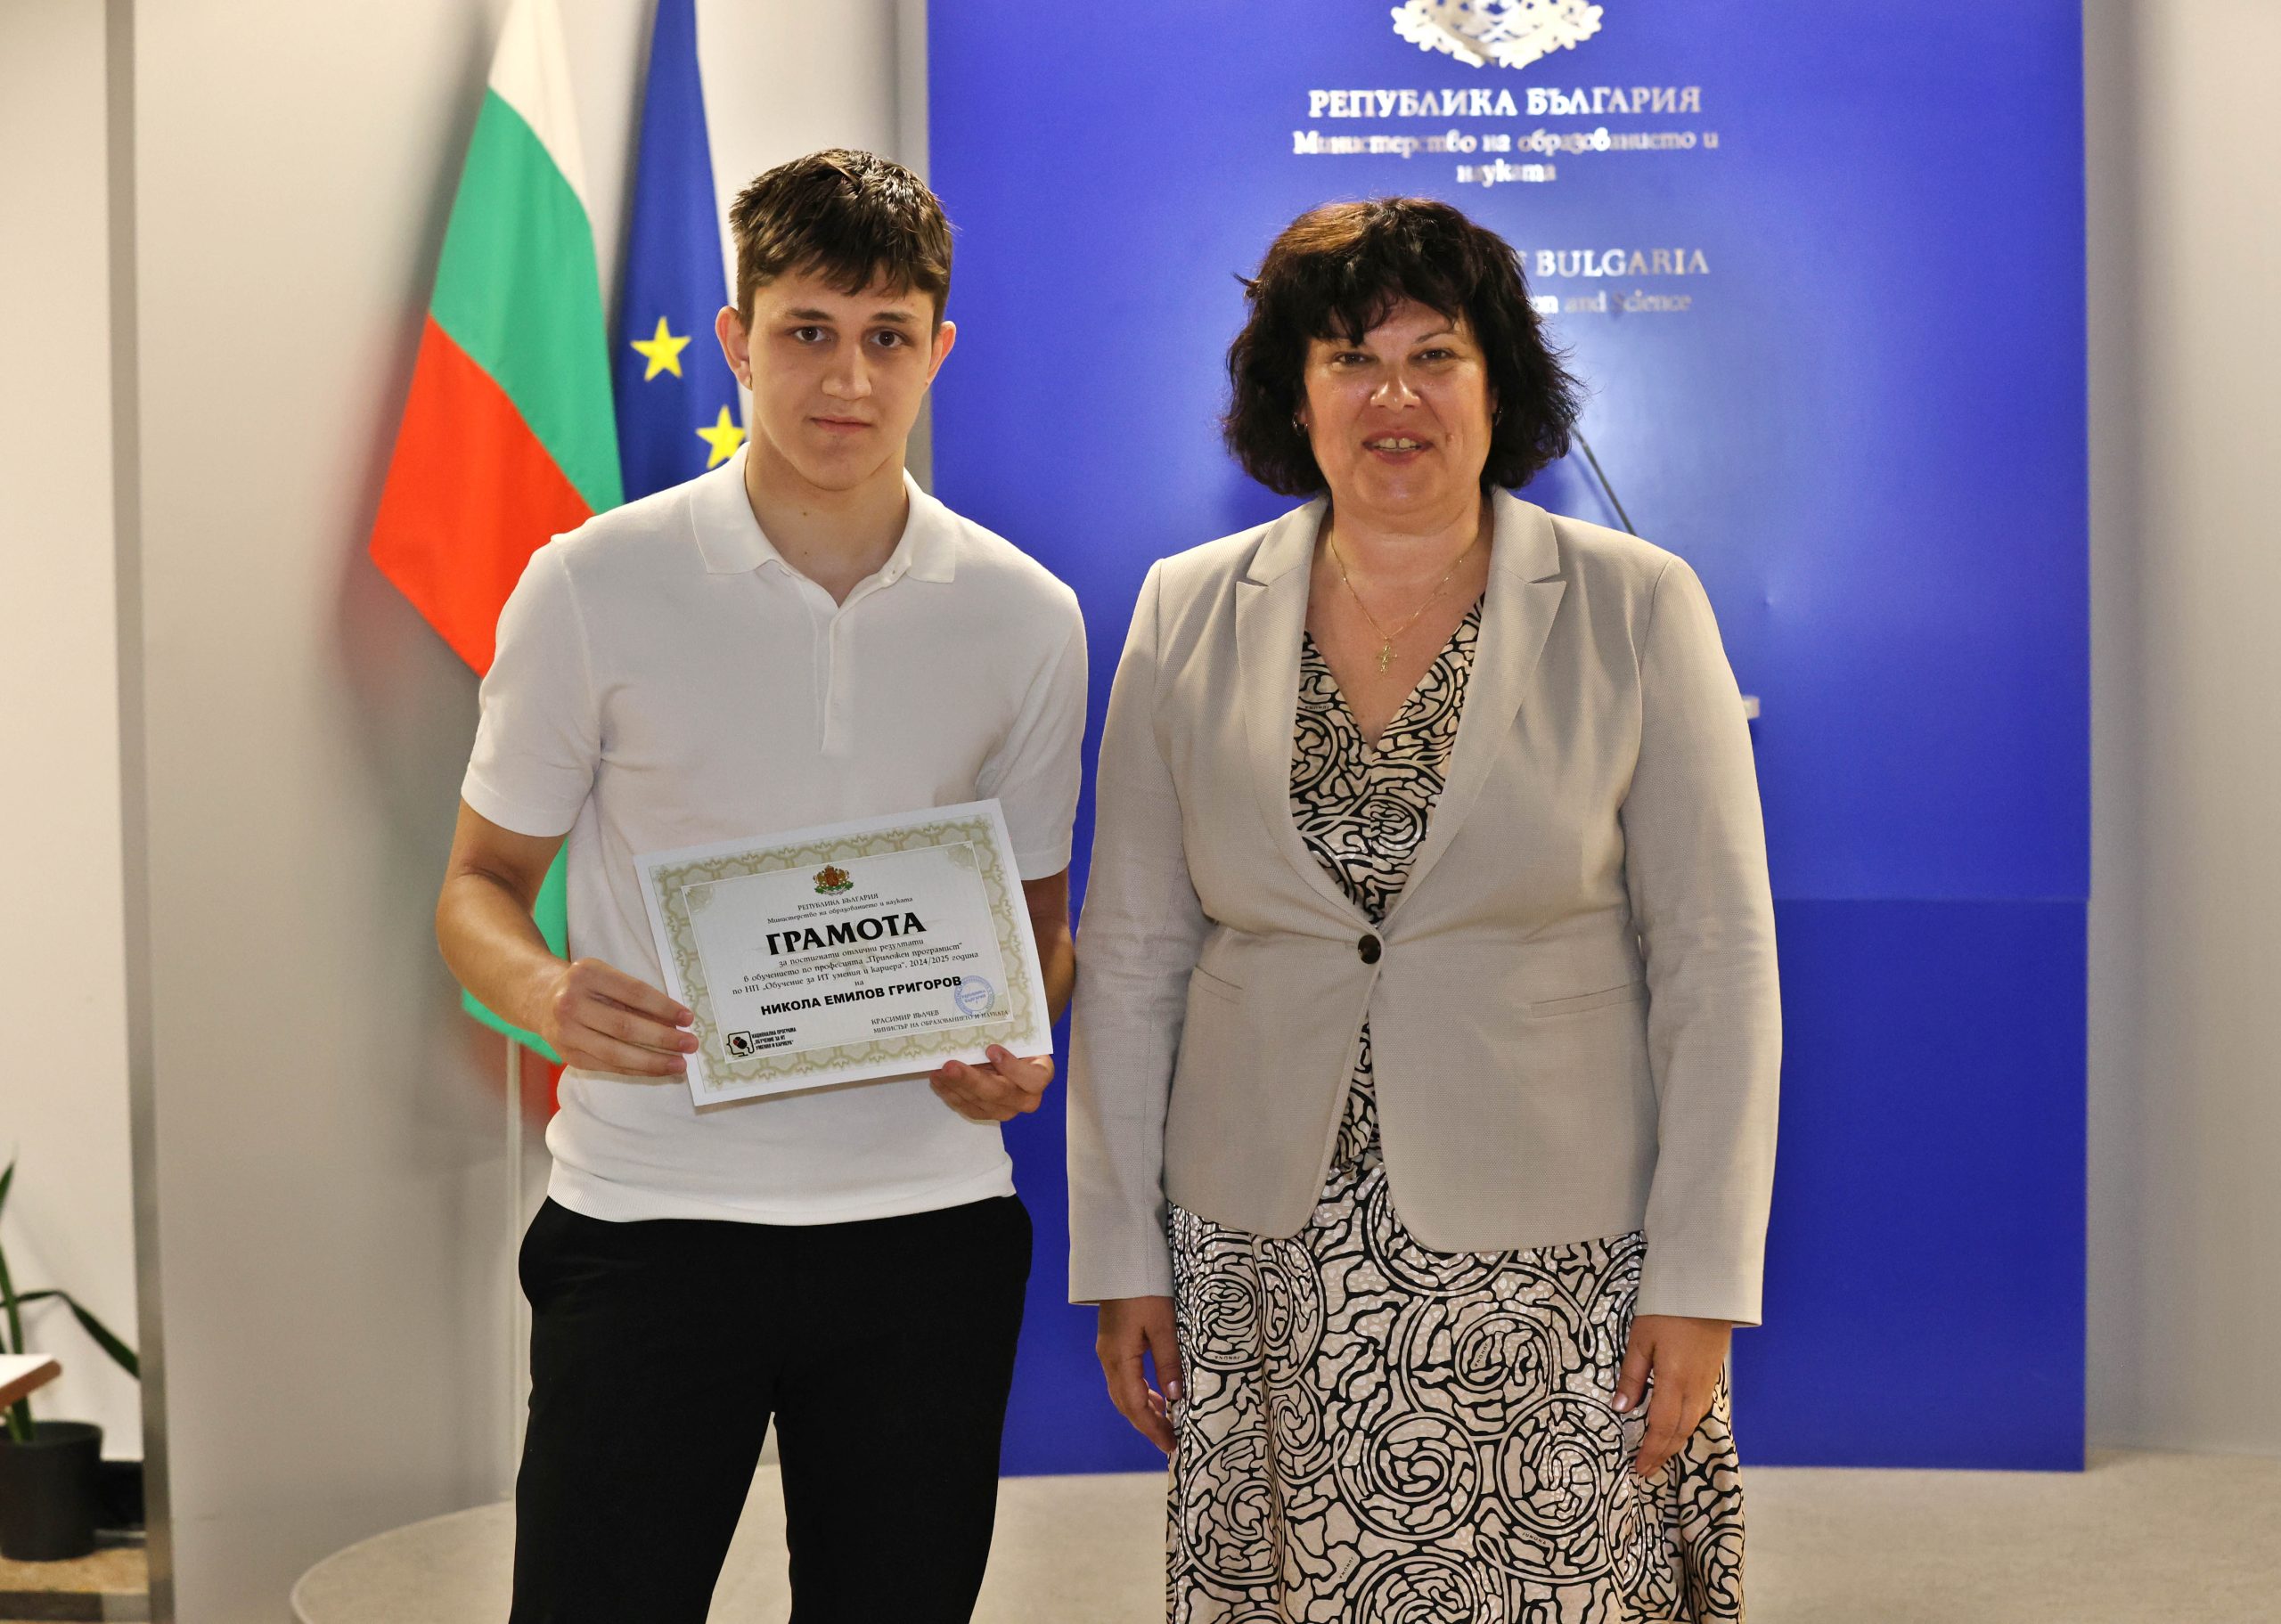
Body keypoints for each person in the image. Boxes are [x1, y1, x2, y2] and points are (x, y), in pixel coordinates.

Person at [1067, 196, 1779, 1621]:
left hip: (1556, 1257)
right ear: (1295, 396)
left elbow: (1716, 961)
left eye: (1434, 356)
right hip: (1261, 1252)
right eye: (1350, 358)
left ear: (1497, 387)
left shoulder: (1637, 604)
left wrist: (1701, 1278)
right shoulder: (1181, 609)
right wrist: (1122, 1253)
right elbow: (1137, 954)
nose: (1394, 397)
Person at [435, 150, 1086, 1624]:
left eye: (886, 337)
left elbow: (1038, 929)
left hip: (927, 1229)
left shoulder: (1026, 616)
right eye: (807, 331)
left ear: (938, 351)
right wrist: (546, 989)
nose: (847, 379)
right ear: (736, 340)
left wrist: (1020, 1037)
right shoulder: (590, 583)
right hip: (648, 1220)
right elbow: (476, 886)